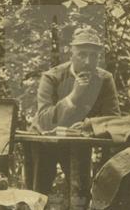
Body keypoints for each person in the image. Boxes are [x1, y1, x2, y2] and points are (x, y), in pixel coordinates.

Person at [32, 26, 120, 194]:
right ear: (71, 54)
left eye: (93, 55)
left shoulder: (104, 79)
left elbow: (113, 119)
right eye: (82, 54)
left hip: (79, 140)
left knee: (81, 189)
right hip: (44, 139)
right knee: (38, 190)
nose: (87, 61)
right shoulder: (51, 77)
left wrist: (89, 125)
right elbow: (45, 119)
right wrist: (73, 97)